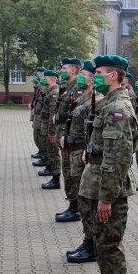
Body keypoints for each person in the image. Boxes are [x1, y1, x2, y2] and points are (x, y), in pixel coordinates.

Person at [78, 54, 138, 274]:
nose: (95, 76)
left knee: (110, 246)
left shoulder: (118, 109)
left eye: (100, 72)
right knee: (103, 245)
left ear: (113, 75)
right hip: (98, 183)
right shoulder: (107, 104)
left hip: (109, 189)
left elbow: (118, 158)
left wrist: (106, 198)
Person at [66, 61, 103, 263]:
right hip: (83, 153)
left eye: (94, 74)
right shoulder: (86, 97)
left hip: (90, 157)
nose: (85, 77)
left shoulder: (98, 100)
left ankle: (92, 244)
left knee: (88, 203)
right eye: (92, 73)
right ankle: (89, 241)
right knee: (84, 201)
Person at [55, 57, 82, 221]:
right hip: (64, 137)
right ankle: (72, 205)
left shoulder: (78, 89)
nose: (62, 71)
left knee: (73, 175)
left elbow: (76, 115)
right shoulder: (65, 87)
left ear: (73, 70)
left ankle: (75, 209)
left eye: (65, 68)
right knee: (68, 173)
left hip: (72, 140)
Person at [39, 69, 62, 189]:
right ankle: (53, 176)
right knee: (50, 152)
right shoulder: (49, 91)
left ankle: (56, 179)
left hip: (51, 129)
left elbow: (53, 115)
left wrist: (52, 132)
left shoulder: (54, 93)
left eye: (46, 78)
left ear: (52, 79)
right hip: (46, 127)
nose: (44, 80)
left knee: (53, 154)